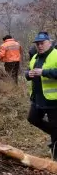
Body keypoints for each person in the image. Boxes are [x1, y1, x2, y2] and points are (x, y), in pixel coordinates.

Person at [26, 32, 57, 161]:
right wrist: (28, 74)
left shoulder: (56, 54)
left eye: (42, 43)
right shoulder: (34, 57)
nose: (39, 46)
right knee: (32, 118)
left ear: (49, 42)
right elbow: (28, 71)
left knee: (55, 127)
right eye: (37, 44)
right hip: (37, 98)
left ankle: (55, 158)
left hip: (53, 100)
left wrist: (44, 72)